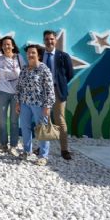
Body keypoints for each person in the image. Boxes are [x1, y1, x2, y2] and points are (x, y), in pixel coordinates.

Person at [16, 44, 55, 166]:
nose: (30, 55)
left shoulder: (44, 69)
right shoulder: (24, 69)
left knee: (42, 129)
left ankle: (43, 155)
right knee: (25, 128)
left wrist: (48, 106)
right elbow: (19, 87)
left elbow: (49, 89)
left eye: (33, 53)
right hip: (25, 103)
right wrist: (18, 102)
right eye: (28, 53)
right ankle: (27, 151)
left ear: (38, 55)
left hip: (40, 104)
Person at [42, 30, 74, 160]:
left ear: (55, 40)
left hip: (58, 91)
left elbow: (70, 74)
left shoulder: (63, 56)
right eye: (47, 39)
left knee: (60, 119)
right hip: (42, 91)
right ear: (44, 40)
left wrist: (60, 83)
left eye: (51, 39)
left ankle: (64, 149)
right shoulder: (39, 55)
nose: (49, 41)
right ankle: (44, 148)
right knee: (44, 119)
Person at [0, 36, 24, 156]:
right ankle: (3, 145)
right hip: (2, 92)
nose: (6, 46)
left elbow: (24, 76)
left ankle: (14, 146)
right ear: (1, 47)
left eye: (9, 44)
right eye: (4, 44)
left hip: (16, 94)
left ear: (13, 45)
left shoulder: (19, 59)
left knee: (14, 121)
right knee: (2, 120)